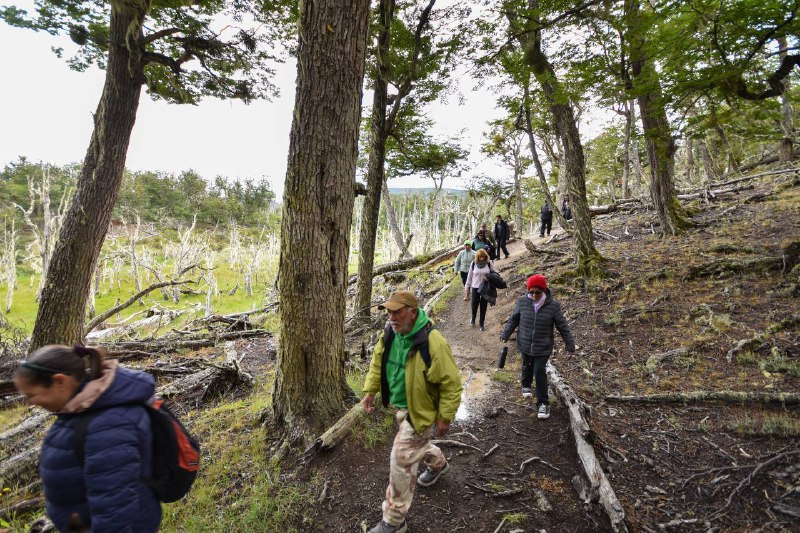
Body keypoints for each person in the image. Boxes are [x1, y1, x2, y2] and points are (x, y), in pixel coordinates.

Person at [14, 345, 161, 532]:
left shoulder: (107, 425)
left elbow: (114, 505)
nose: (30, 403)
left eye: (32, 395)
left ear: (59, 381)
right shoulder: (80, 410)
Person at [363, 291, 463, 533]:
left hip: (422, 410)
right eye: (389, 312)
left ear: (412, 312)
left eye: (397, 312)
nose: (392, 317)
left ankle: (394, 521)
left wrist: (444, 417)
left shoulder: (433, 342)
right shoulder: (389, 333)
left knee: (401, 459)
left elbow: (451, 384)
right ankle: (438, 464)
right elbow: (378, 362)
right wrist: (370, 391)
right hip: (402, 407)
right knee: (415, 445)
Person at [500, 275, 575, 420]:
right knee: (526, 365)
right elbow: (514, 319)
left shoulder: (553, 306)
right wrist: (506, 333)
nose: (534, 295)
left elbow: (562, 326)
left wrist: (569, 343)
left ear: (544, 290)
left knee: (539, 371)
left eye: (537, 292)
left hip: (543, 346)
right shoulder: (522, 302)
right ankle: (526, 384)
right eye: (531, 292)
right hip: (525, 342)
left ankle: (543, 403)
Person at [463, 248, 494, 331]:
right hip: (475, 287)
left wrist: (489, 277)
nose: (482, 258)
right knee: (474, 304)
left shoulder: (489, 263)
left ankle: (481, 323)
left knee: (483, 306)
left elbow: (494, 274)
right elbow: (469, 277)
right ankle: (473, 318)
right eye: (480, 257)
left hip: (485, 287)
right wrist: (467, 288)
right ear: (477, 257)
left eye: (484, 257)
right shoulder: (473, 264)